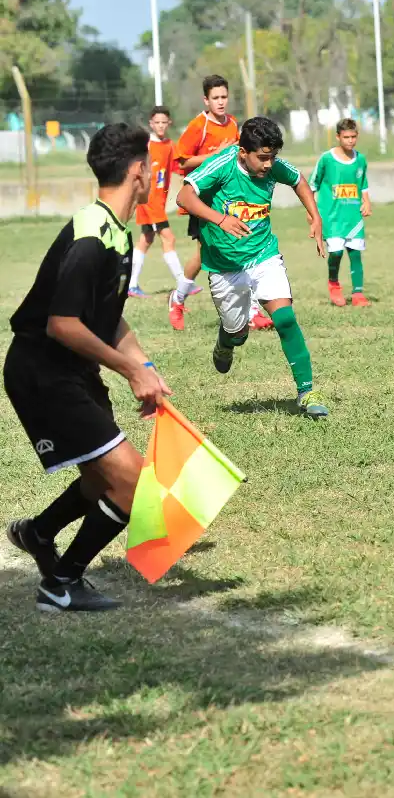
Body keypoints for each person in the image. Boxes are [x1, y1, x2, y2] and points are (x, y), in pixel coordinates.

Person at [5, 123, 172, 612]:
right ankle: (62, 583)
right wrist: (128, 371)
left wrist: (145, 365)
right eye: (150, 166)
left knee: (103, 480)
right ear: (138, 171)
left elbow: (106, 314)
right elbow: (62, 324)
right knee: (133, 480)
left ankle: (38, 533)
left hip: (71, 371)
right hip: (44, 373)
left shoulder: (114, 231)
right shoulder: (91, 237)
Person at [176, 116, 331, 418]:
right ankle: (226, 340)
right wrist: (221, 219)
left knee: (285, 318)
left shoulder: (271, 165)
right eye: (262, 158)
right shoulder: (222, 165)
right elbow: (183, 195)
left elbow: (298, 179)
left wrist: (315, 215)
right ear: (242, 152)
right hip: (224, 267)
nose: (269, 164)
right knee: (239, 333)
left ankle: (307, 391)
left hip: (263, 255)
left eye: (272, 157)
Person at [169, 75, 271, 332]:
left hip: (230, 199)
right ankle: (178, 298)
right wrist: (213, 155)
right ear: (206, 100)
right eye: (215, 98)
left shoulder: (234, 124)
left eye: (224, 96)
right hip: (202, 201)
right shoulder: (198, 126)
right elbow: (181, 163)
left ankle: (254, 311)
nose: (221, 102)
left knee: (246, 245)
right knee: (204, 254)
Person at [127, 106, 189, 299]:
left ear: (168, 123)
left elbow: (180, 167)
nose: (161, 126)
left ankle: (131, 284)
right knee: (168, 238)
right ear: (151, 124)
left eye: (164, 122)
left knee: (146, 239)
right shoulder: (146, 146)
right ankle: (183, 282)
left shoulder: (170, 145)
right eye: (157, 122)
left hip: (158, 202)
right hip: (149, 201)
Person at [311, 118, 372, 307]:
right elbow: (313, 184)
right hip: (331, 216)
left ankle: (358, 294)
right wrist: (312, 212)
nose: (350, 141)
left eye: (353, 137)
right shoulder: (327, 159)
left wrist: (367, 202)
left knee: (355, 253)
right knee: (336, 252)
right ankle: (334, 284)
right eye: (346, 137)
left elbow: (363, 185)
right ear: (338, 137)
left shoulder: (360, 159)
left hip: (352, 215)